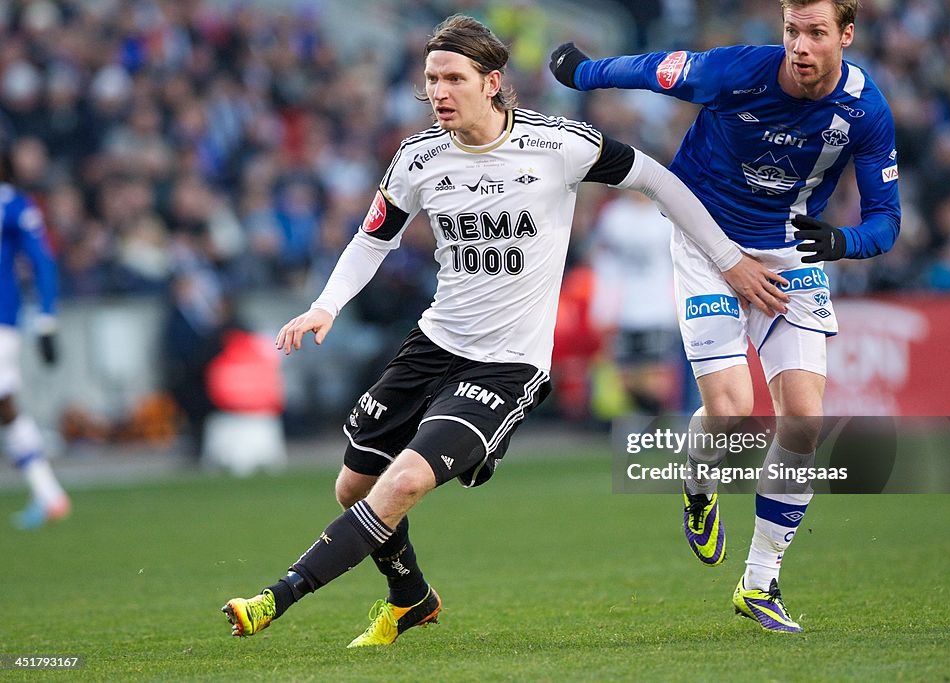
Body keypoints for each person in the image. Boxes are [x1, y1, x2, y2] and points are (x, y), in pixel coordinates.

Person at [222, 14, 788, 646]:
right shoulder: (417, 158)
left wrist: (730, 260)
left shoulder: (561, 145)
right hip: (434, 344)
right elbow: (370, 239)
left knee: (404, 481)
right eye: (431, 78)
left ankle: (277, 597)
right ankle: (411, 598)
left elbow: (659, 181)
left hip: (507, 365)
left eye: (453, 78)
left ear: (492, 82)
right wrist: (326, 306)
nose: (438, 91)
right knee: (353, 482)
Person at [550, 0, 900, 633]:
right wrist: (581, 73)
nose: (800, 45)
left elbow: (886, 220)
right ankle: (698, 484)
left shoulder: (865, 111)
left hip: (788, 251)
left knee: (804, 416)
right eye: (792, 30)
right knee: (733, 411)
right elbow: (654, 68)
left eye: (816, 33)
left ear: (846, 35)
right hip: (704, 242)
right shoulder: (737, 71)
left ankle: (760, 583)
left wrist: (842, 243)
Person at [0, 151, 71, 530]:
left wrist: (46, 318)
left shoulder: (12, 204)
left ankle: (48, 493)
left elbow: (42, 260)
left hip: (1, 321)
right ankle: (48, 494)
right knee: (6, 407)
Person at [588, 192, 680, 416]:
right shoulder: (613, 216)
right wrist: (602, 307)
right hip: (624, 309)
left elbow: (678, 263)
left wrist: (678, 304)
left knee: (657, 374)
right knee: (625, 375)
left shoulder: (665, 215)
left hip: (659, 308)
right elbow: (604, 263)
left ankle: (658, 422)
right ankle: (634, 423)